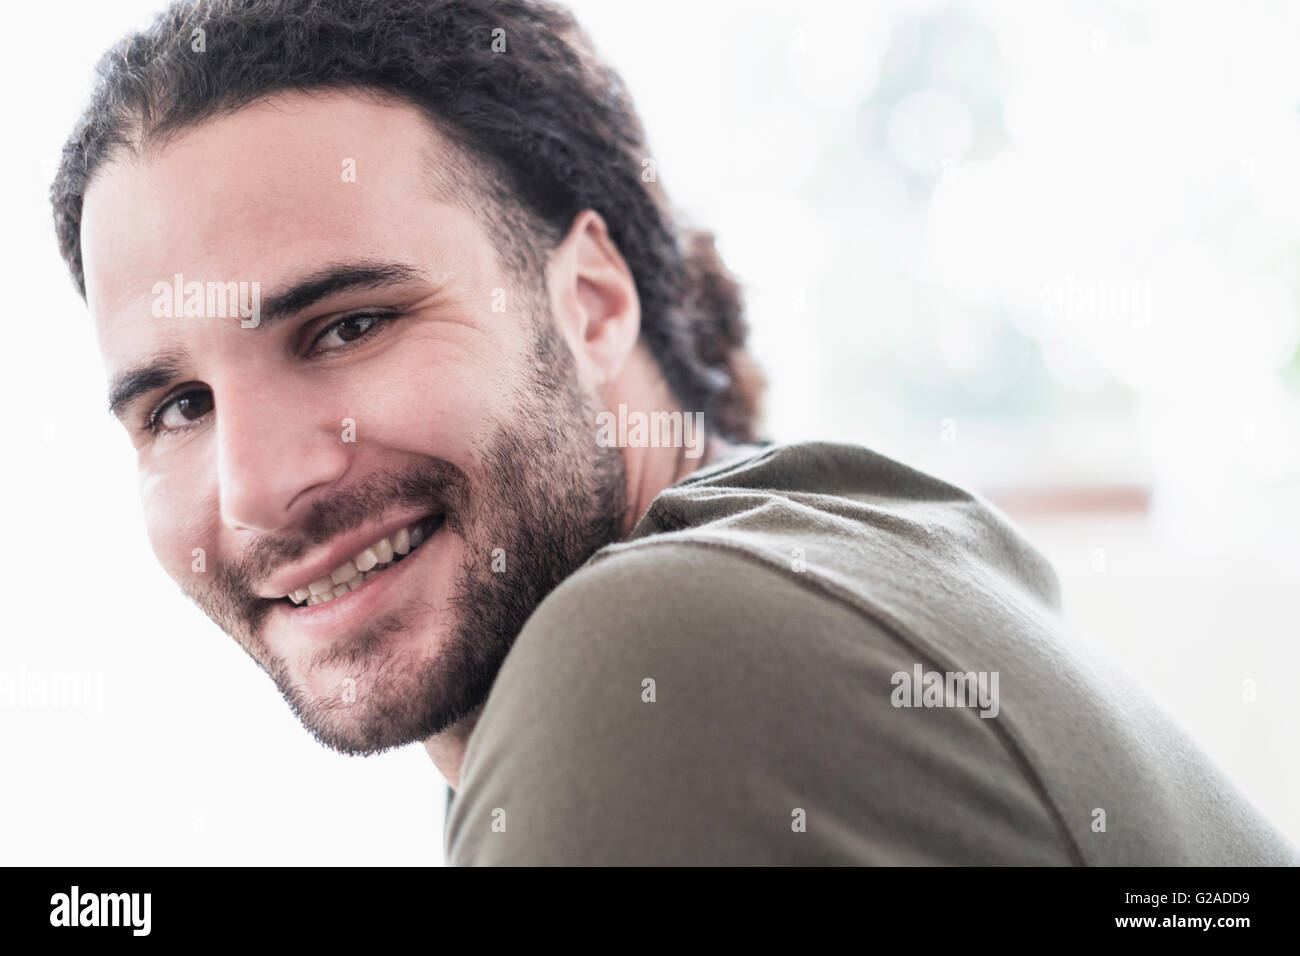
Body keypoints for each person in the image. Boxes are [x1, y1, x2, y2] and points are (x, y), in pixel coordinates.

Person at [52, 0, 1298, 865]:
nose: (258, 485)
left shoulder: (657, 654)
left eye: (347, 326)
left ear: (588, 301)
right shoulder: (814, 570)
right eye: (175, 407)